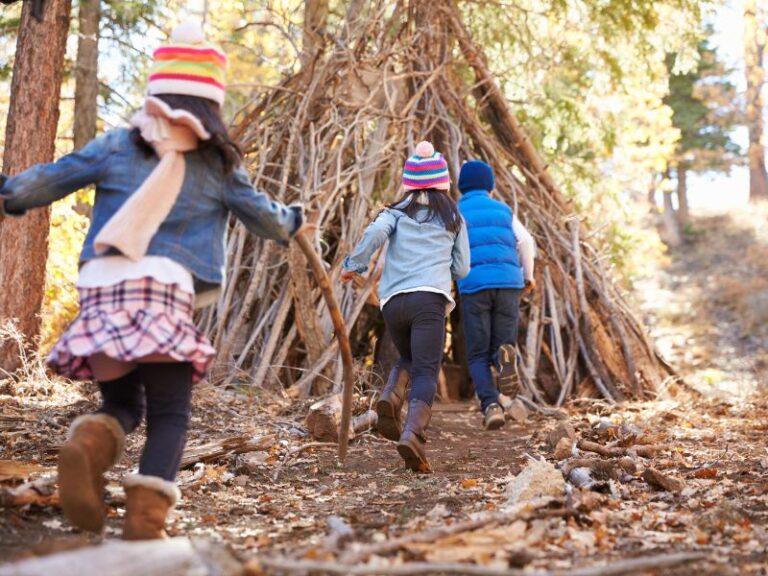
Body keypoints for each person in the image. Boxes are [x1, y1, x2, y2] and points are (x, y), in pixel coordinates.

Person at [0, 21, 304, 539]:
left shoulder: (119, 145)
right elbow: (268, 221)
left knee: (120, 405)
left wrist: (12, 192)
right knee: (169, 413)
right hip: (162, 294)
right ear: (211, 103)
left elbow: (53, 176)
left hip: (102, 293)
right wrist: (294, 218)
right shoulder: (217, 164)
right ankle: (145, 518)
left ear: (156, 93)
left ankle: (91, 445)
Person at [341, 141, 470, 472]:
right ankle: (413, 434)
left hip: (393, 302)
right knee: (427, 368)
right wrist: (443, 269)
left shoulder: (395, 213)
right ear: (442, 182)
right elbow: (463, 268)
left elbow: (373, 235)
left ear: (409, 183)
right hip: (429, 300)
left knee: (409, 359)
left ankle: (391, 397)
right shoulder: (453, 216)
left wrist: (353, 265)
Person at [456, 160, 535, 430]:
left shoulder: (457, 211)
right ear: (490, 186)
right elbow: (525, 241)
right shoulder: (503, 210)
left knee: (477, 353)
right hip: (508, 283)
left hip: (474, 285)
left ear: (461, 186)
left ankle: (490, 405)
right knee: (501, 345)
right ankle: (504, 358)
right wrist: (528, 275)